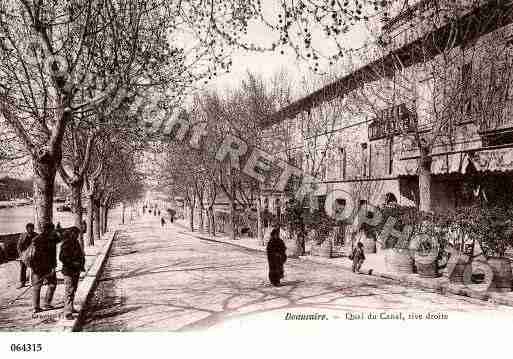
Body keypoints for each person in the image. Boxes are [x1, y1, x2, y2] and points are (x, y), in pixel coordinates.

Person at [30, 223, 60, 314]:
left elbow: (33, 255)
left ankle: (35, 307)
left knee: (36, 287)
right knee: (52, 284)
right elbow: (51, 256)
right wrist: (53, 267)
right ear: (50, 230)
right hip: (47, 267)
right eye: (52, 229)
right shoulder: (51, 240)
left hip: (36, 267)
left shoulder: (36, 239)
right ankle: (47, 303)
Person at [59, 227, 85, 320]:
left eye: (77, 234)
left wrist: (81, 265)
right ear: (71, 233)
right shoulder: (66, 243)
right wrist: (73, 263)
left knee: (73, 289)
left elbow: (81, 255)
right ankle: (67, 312)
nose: (77, 235)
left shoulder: (76, 242)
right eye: (75, 234)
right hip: (68, 271)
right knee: (69, 291)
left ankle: (71, 308)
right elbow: (62, 258)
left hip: (76, 270)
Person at [16, 223, 37, 289]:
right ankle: (22, 282)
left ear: (33, 229)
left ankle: (34, 281)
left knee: (34, 268)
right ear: (27, 229)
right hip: (24, 255)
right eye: (29, 228)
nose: (30, 229)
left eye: (32, 228)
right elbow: (18, 246)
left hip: (33, 255)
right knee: (23, 269)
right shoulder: (23, 235)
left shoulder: (36, 236)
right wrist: (21, 255)